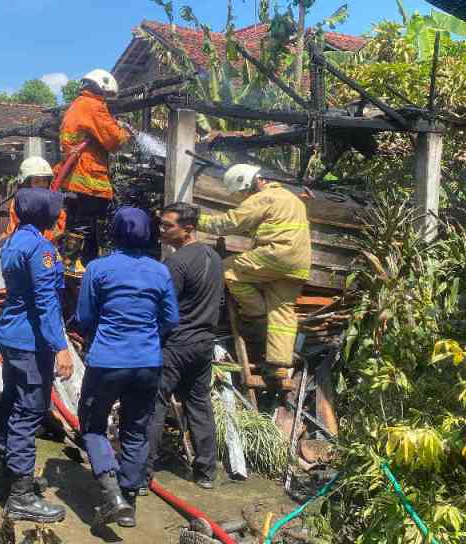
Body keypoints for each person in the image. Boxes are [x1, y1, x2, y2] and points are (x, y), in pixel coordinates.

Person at [75, 207, 179, 528]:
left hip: (107, 361)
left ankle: (112, 495)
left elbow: (84, 317)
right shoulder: (159, 272)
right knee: (135, 429)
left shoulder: (98, 269)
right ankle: (129, 500)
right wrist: (147, 337)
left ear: (114, 232)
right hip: (148, 363)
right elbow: (171, 319)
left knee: (92, 425)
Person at [0, 187, 75, 523]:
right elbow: (46, 301)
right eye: (56, 210)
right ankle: (21, 498)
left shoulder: (12, 241)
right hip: (30, 341)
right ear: (45, 214)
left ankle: (10, 480)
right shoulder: (42, 249)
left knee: (12, 404)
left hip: (10, 334)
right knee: (28, 412)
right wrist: (61, 347)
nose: (59, 215)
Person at [196, 164, 311, 392]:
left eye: (241, 193)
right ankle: (278, 365)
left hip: (276, 255)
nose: (243, 197)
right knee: (282, 309)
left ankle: (256, 315)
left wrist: (195, 220)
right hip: (299, 263)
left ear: (246, 184)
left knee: (228, 270)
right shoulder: (290, 198)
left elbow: (229, 222)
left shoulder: (263, 198)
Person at [144, 202, 223, 493]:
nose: (162, 230)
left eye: (168, 225)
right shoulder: (214, 257)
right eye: (161, 224)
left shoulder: (175, 264)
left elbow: (163, 309)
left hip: (176, 344)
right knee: (199, 404)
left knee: (155, 403)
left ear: (188, 229)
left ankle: (141, 475)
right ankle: (206, 472)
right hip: (203, 344)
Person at [55, 69, 131, 266]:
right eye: (107, 94)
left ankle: (71, 263)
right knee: (91, 226)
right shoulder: (93, 106)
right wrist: (126, 131)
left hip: (73, 180)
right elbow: (115, 140)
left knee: (77, 224)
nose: (106, 100)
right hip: (90, 181)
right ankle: (85, 265)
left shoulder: (77, 105)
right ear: (101, 87)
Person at [0, 155, 66, 244]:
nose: (42, 185)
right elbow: (13, 229)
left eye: (44, 181)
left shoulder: (54, 204)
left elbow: (55, 233)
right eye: (37, 181)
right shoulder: (19, 203)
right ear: (26, 183)